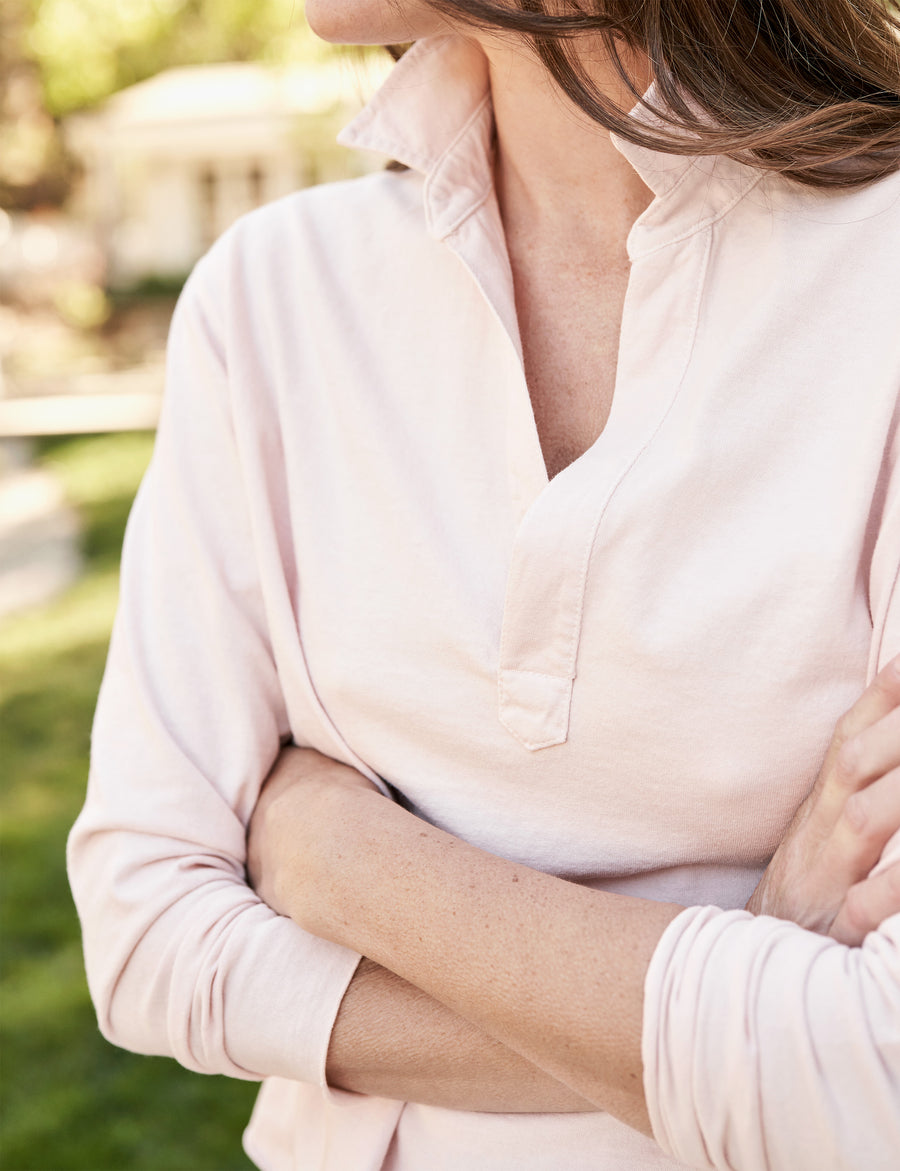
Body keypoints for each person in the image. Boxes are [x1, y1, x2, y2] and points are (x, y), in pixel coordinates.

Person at [68, 1, 900, 1168]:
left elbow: (880, 1071)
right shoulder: (272, 298)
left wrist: (343, 860)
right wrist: (753, 940)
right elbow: (149, 938)